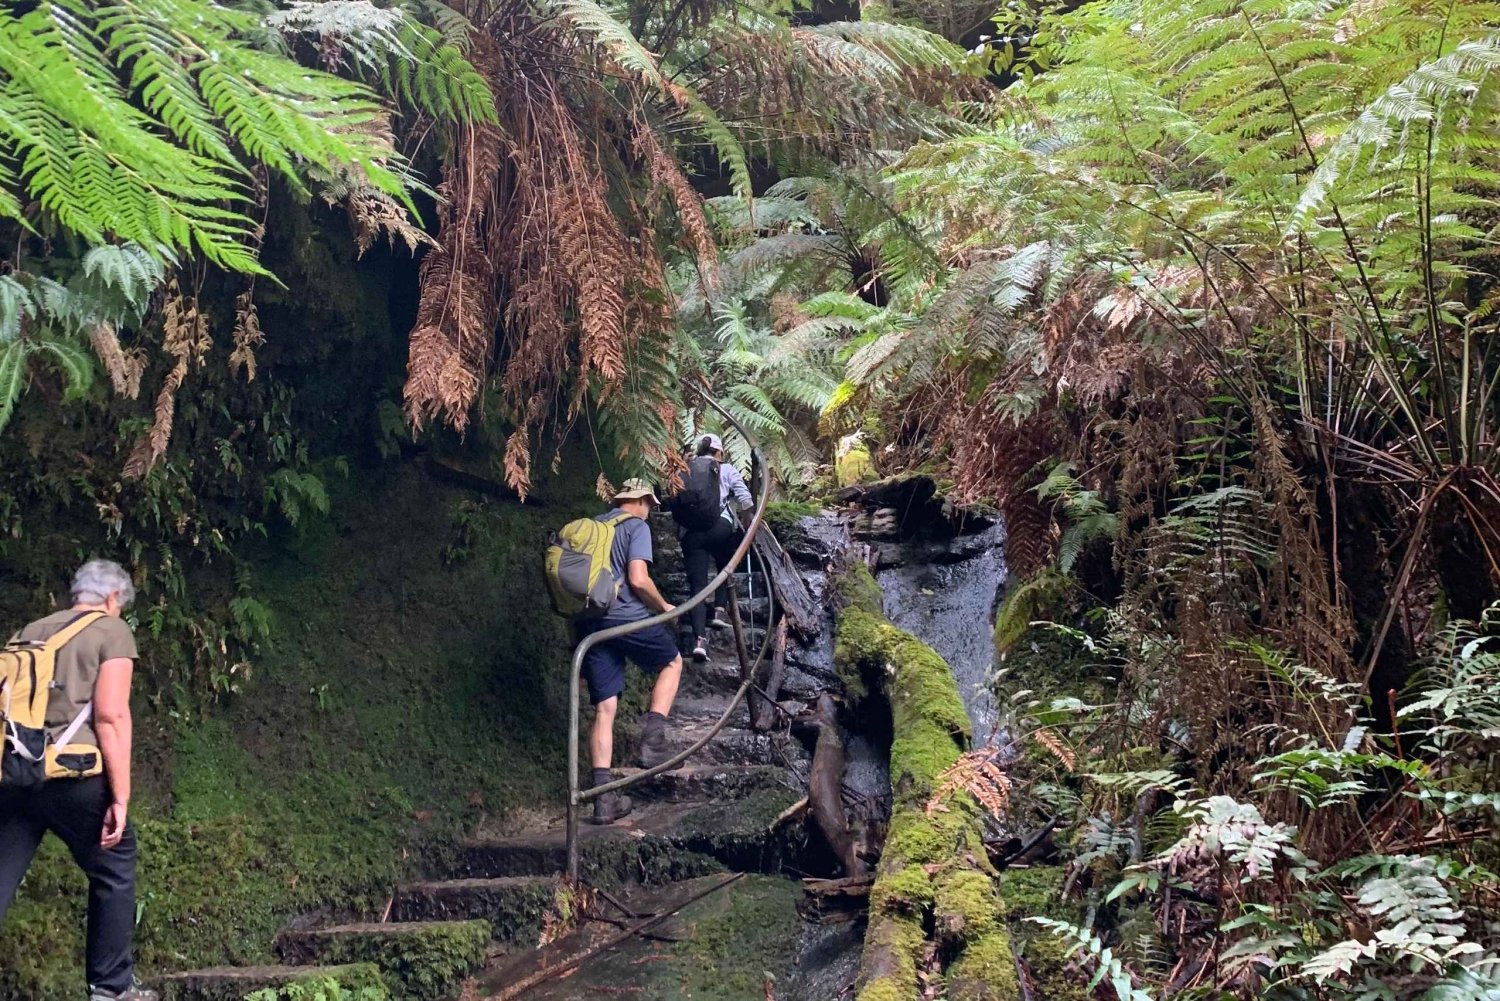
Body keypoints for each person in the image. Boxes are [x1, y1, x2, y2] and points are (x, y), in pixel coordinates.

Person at [0, 560, 156, 1001]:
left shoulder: (31, 629)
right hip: (73, 776)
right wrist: (121, 798)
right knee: (115, 865)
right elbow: (111, 715)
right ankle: (112, 988)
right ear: (112, 599)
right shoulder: (112, 631)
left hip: (15, 773)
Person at [574, 479, 684, 824]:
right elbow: (638, 579)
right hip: (625, 618)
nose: (650, 512)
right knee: (672, 661)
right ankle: (653, 742)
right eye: (649, 505)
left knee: (605, 708)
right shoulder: (635, 526)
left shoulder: (593, 525)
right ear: (637, 501)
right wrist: (664, 606)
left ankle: (603, 798)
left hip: (590, 625)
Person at [678, 434, 753, 663]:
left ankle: (700, 641)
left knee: (698, 586)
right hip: (720, 527)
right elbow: (746, 500)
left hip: (691, 533)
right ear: (719, 452)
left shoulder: (687, 468)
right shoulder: (727, 469)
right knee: (726, 559)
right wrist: (747, 529)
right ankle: (720, 608)